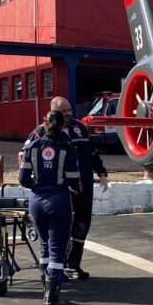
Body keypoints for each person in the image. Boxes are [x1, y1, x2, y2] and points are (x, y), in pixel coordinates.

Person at [26, 96, 108, 280]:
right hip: (58, 191)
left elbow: (93, 152)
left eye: (70, 111)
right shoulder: (39, 134)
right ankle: (56, 267)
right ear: (53, 113)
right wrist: (37, 184)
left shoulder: (80, 129)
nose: (69, 115)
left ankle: (73, 264)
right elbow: (25, 159)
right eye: (64, 113)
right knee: (58, 229)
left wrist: (102, 173)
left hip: (83, 187)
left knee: (81, 225)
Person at [19, 110, 80, 305]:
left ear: (45, 124)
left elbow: (22, 178)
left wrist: (37, 186)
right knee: (57, 250)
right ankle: (51, 300)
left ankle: (45, 287)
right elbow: (73, 180)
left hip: (36, 201)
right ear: (63, 125)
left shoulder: (33, 146)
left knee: (44, 246)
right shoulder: (67, 148)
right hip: (59, 201)